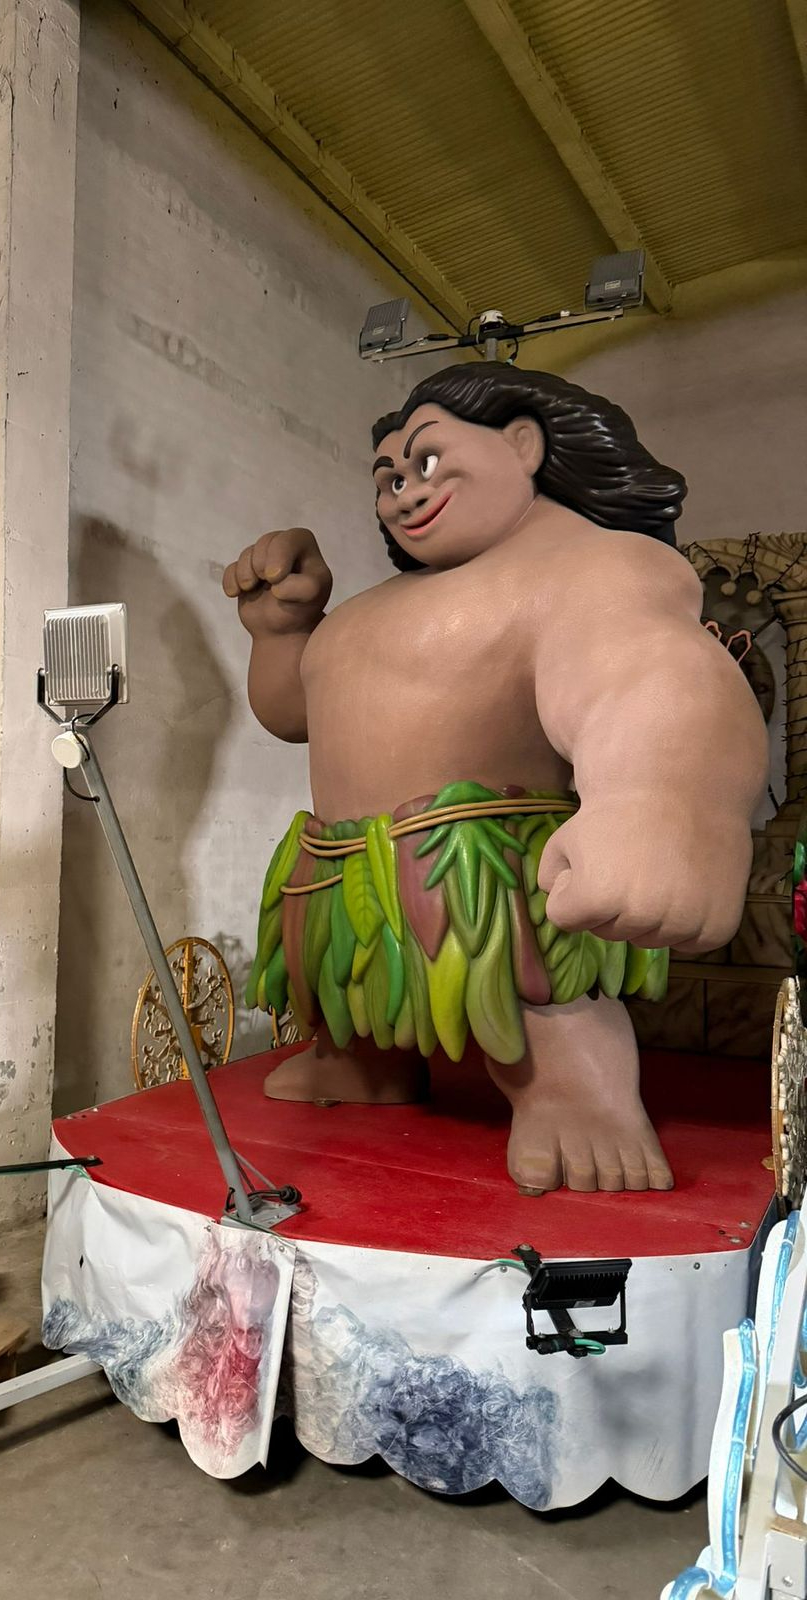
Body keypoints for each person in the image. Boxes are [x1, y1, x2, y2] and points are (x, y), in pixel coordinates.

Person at [224, 363, 767, 1194]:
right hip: (344, 877)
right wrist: (283, 631)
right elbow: (296, 713)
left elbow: (644, 672)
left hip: (487, 874)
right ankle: (365, 1062)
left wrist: (655, 800)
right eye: (388, 478)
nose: (403, 492)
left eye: (426, 460)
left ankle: (576, 1090)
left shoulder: (585, 567)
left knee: (534, 997)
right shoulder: (381, 605)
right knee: (351, 991)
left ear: (522, 445)